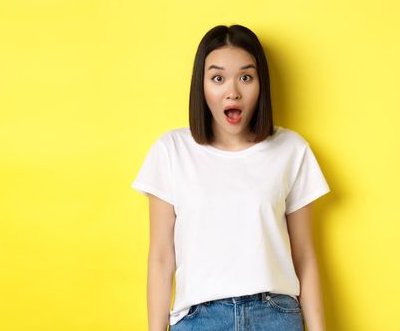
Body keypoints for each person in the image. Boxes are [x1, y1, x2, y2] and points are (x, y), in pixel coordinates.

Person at [131, 24, 331, 331]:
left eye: (246, 77)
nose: (232, 91)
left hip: (275, 316)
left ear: (260, 84)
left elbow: (304, 255)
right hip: (199, 320)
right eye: (218, 78)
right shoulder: (171, 150)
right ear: (202, 86)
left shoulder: (291, 150)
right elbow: (160, 257)